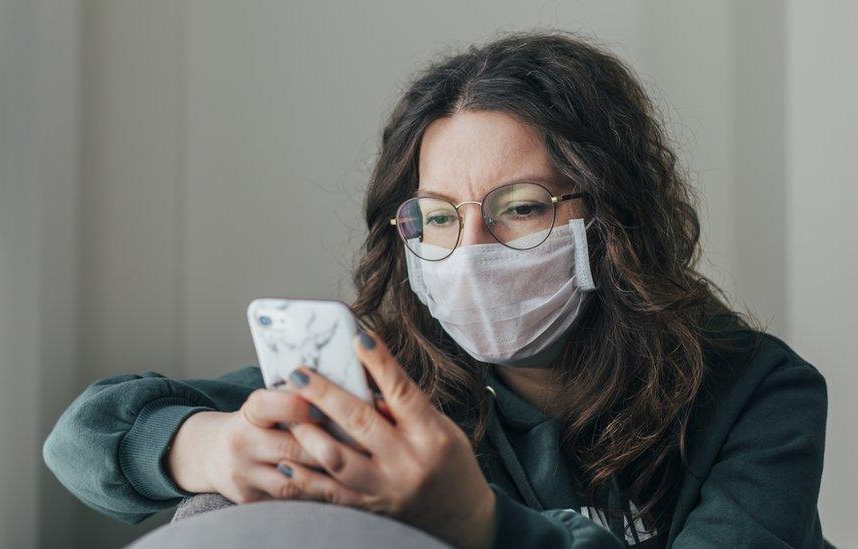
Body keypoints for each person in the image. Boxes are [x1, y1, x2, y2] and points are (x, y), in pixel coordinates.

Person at [44, 31, 829, 548]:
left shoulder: (759, 390)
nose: (474, 250)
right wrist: (216, 448)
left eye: (521, 208)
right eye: (439, 217)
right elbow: (81, 438)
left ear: (613, 217)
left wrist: (477, 520)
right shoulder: (390, 372)